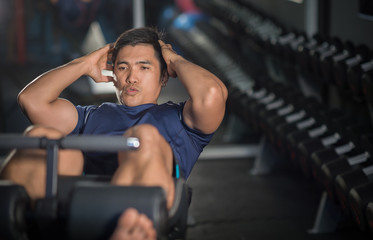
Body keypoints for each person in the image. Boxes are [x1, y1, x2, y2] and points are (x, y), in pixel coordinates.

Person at [0, 27, 227, 239]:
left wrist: (174, 58)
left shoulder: (182, 120)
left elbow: (212, 95)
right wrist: (84, 63)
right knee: (41, 138)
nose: (132, 77)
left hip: (143, 210)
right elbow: (31, 101)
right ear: (114, 75)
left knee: (143, 137)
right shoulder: (90, 116)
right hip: (76, 209)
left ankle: (127, 229)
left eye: (144, 67)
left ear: (164, 76)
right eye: (122, 67)